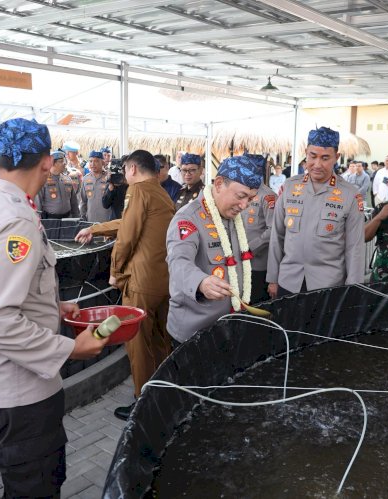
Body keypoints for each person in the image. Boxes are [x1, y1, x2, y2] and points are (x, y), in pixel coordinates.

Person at [0, 118, 110, 498]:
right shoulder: (15, 222)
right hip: (16, 388)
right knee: (35, 487)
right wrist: (71, 348)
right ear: (46, 162)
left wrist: (53, 306)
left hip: (0, 379)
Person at [77, 150, 174, 420]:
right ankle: (162, 395)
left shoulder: (138, 191)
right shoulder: (160, 192)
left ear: (132, 169)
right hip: (162, 280)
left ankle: (143, 405)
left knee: (139, 344)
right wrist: (95, 229)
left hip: (140, 282)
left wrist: (115, 271)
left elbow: (128, 236)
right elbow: (129, 222)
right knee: (159, 341)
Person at [166, 155, 264, 343]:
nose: (244, 206)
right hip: (195, 334)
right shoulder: (188, 218)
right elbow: (178, 262)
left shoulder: (234, 215)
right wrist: (201, 282)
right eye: (241, 196)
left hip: (229, 328)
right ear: (219, 184)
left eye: (250, 199)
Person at [267, 127, 365, 298]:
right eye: (313, 156)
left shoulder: (350, 194)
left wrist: (353, 291)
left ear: (337, 157)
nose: (317, 164)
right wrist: (273, 279)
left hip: (328, 286)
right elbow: (277, 236)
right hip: (288, 282)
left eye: (325, 158)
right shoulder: (290, 187)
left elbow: (354, 248)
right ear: (306, 153)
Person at [242, 154, 278, 303]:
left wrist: (250, 249)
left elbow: (273, 230)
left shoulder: (268, 196)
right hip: (239, 261)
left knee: (256, 305)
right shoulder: (241, 193)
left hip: (258, 264)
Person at [35, 149, 80, 219]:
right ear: (53, 163)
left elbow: (73, 202)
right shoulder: (43, 180)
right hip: (51, 221)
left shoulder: (67, 179)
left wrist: (77, 217)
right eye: (61, 161)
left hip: (68, 219)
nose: (64, 163)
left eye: (64, 161)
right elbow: (38, 204)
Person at [80, 150, 111, 222]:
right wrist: (83, 216)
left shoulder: (109, 177)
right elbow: (83, 201)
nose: (93, 164)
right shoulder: (85, 179)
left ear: (102, 162)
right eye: (90, 161)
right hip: (91, 220)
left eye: (96, 161)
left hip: (107, 221)